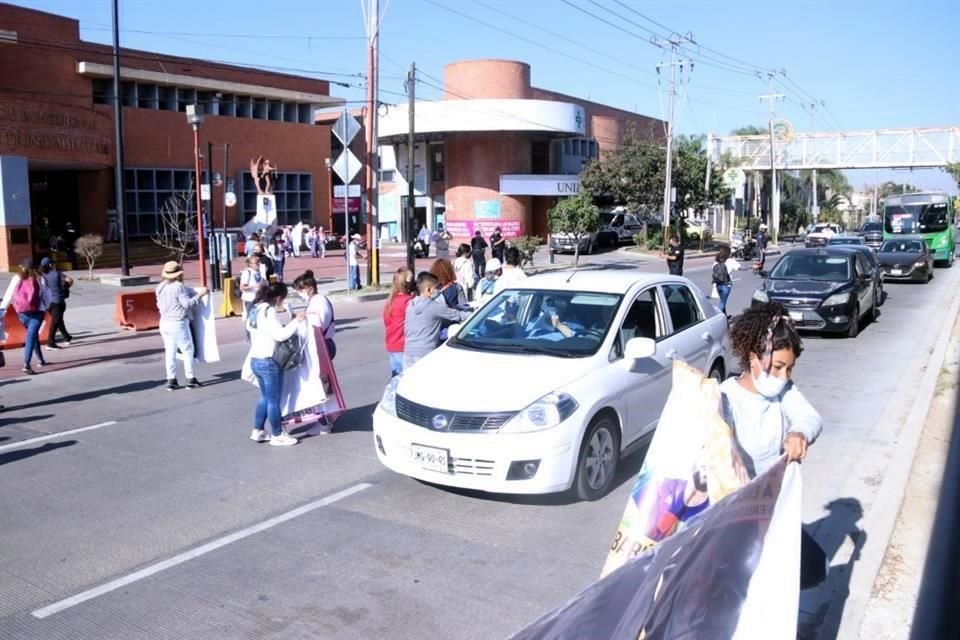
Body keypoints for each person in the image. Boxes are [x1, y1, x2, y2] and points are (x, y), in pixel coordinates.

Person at [721, 302, 822, 480]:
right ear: (753, 357)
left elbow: (809, 417)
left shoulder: (784, 392)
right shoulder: (724, 397)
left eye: (789, 368)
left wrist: (799, 433)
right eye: (778, 367)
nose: (783, 376)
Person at [244, 283, 305, 446]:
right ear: (278, 297)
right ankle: (277, 434)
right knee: (273, 400)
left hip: (255, 359)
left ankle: (257, 430)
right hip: (269, 361)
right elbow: (280, 335)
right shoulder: (269, 311)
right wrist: (296, 321)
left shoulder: (255, 308)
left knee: (265, 397)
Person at [283, 271, 337, 436]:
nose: (300, 294)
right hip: (319, 345)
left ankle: (324, 423)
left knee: (318, 385)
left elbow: (316, 325)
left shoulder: (319, 301)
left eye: (300, 290)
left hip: (321, 346)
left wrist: (299, 320)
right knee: (319, 385)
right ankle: (323, 421)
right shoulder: (316, 301)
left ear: (309, 288)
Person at [155, 261, 208, 390]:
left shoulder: (160, 286)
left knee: (170, 351)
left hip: (164, 322)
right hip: (178, 322)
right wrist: (200, 295)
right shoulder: (179, 286)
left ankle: (171, 379)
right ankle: (190, 378)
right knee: (187, 350)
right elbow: (187, 304)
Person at [403, 272, 472, 370]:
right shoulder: (434, 306)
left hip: (408, 352)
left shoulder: (410, 305)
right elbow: (458, 316)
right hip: (425, 354)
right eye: (436, 288)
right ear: (428, 290)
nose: (439, 291)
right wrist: (479, 314)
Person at [0, 260, 49, 374]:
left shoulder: (17, 277)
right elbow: (47, 295)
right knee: (31, 336)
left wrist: (2, 309)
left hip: (22, 312)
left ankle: (41, 359)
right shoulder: (40, 278)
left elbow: (9, 294)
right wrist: (46, 306)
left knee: (32, 335)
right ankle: (26, 364)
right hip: (38, 311)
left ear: (23, 267)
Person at [383, 267, 414, 377]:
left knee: (396, 378)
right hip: (403, 346)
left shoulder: (390, 301)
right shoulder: (409, 301)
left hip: (392, 344)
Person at [40, 257, 73, 349]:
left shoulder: (41, 275)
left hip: (47, 303)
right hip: (58, 301)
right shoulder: (57, 274)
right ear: (50, 265)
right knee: (55, 321)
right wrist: (66, 287)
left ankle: (67, 337)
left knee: (58, 320)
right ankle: (50, 342)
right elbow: (70, 280)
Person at [239, 255, 266, 323]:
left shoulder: (259, 272)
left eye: (259, 262)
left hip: (259, 299)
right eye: (256, 263)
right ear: (250, 264)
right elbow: (242, 287)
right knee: (251, 319)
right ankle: (249, 333)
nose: (258, 264)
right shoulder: (247, 272)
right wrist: (253, 286)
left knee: (260, 318)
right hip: (250, 299)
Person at [711, 247, 733, 316]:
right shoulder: (730, 261)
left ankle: (725, 317)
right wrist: (752, 267)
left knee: (722, 301)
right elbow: (741, 268)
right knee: (722, 303)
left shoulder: (716, 261)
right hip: (726, 285)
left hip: (718, 285)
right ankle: (718, 317)